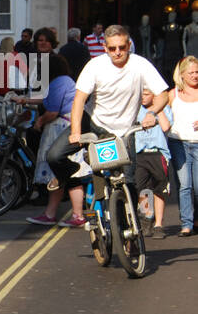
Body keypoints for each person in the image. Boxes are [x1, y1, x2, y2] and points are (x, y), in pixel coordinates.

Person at [45, 25, 168, 228]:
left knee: (128, 183)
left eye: (122, 47)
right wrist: (76, 132)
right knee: (54, 156)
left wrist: (151, 113)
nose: (117, 52)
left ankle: (129, 230)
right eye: (112, 48)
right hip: (92, 123)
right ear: (105, 47)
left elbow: (163, 93)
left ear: (129, 45)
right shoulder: (95, 66)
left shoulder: (141, 65)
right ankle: (72, 174)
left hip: (123, 131)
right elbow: (79, 100)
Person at [21, 54, 82, 224]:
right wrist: (25, 100)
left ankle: (77, 215)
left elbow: (53, 111)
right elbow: (48, 100)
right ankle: (51, 213)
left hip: (60, 129)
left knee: (66, 172)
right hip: (65, 127)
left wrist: (39, 122)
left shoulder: (59, 82)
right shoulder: (63, 81)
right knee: (58, 174)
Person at [163, 55, 198, 237]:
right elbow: (157, 108)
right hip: (178, 143)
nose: (194, 75)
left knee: (197, 186)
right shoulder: (173, 94)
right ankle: (186, 224)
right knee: (185, 185)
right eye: (190, 72)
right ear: (182, 74)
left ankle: (196, 218)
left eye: (197, 72)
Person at [133, 85, 173, 239]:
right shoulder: (136, 110)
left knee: (159, 189)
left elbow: (165, 126)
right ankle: (146, 219)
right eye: (141, 94)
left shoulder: (163, 109)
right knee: (143, 189)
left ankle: (158, 224)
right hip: (140, 154)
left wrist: (158, 108)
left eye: (147, 94)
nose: (143, 97)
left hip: (158, 154)